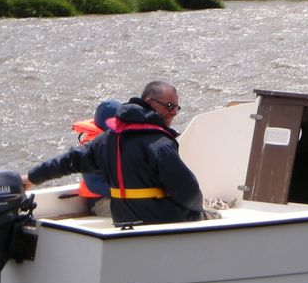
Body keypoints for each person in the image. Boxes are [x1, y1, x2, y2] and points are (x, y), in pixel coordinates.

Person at [21, 80, 206, 225]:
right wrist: (199, 210)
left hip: (122, 219)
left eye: (176, 108)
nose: (173, 113)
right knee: (209, 215)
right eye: (169, 106)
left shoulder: (106, 140)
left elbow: (69, 161)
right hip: (159, 221)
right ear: (150, 102)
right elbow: (190, 194)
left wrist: (31, 178)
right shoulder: (160, 144)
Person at [72, 98, 121, 217]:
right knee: (139, 211)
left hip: (122, 195)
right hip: (100, 201)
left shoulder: (118, 140)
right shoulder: (91, 147)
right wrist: (128, 194)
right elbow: (95, 184)